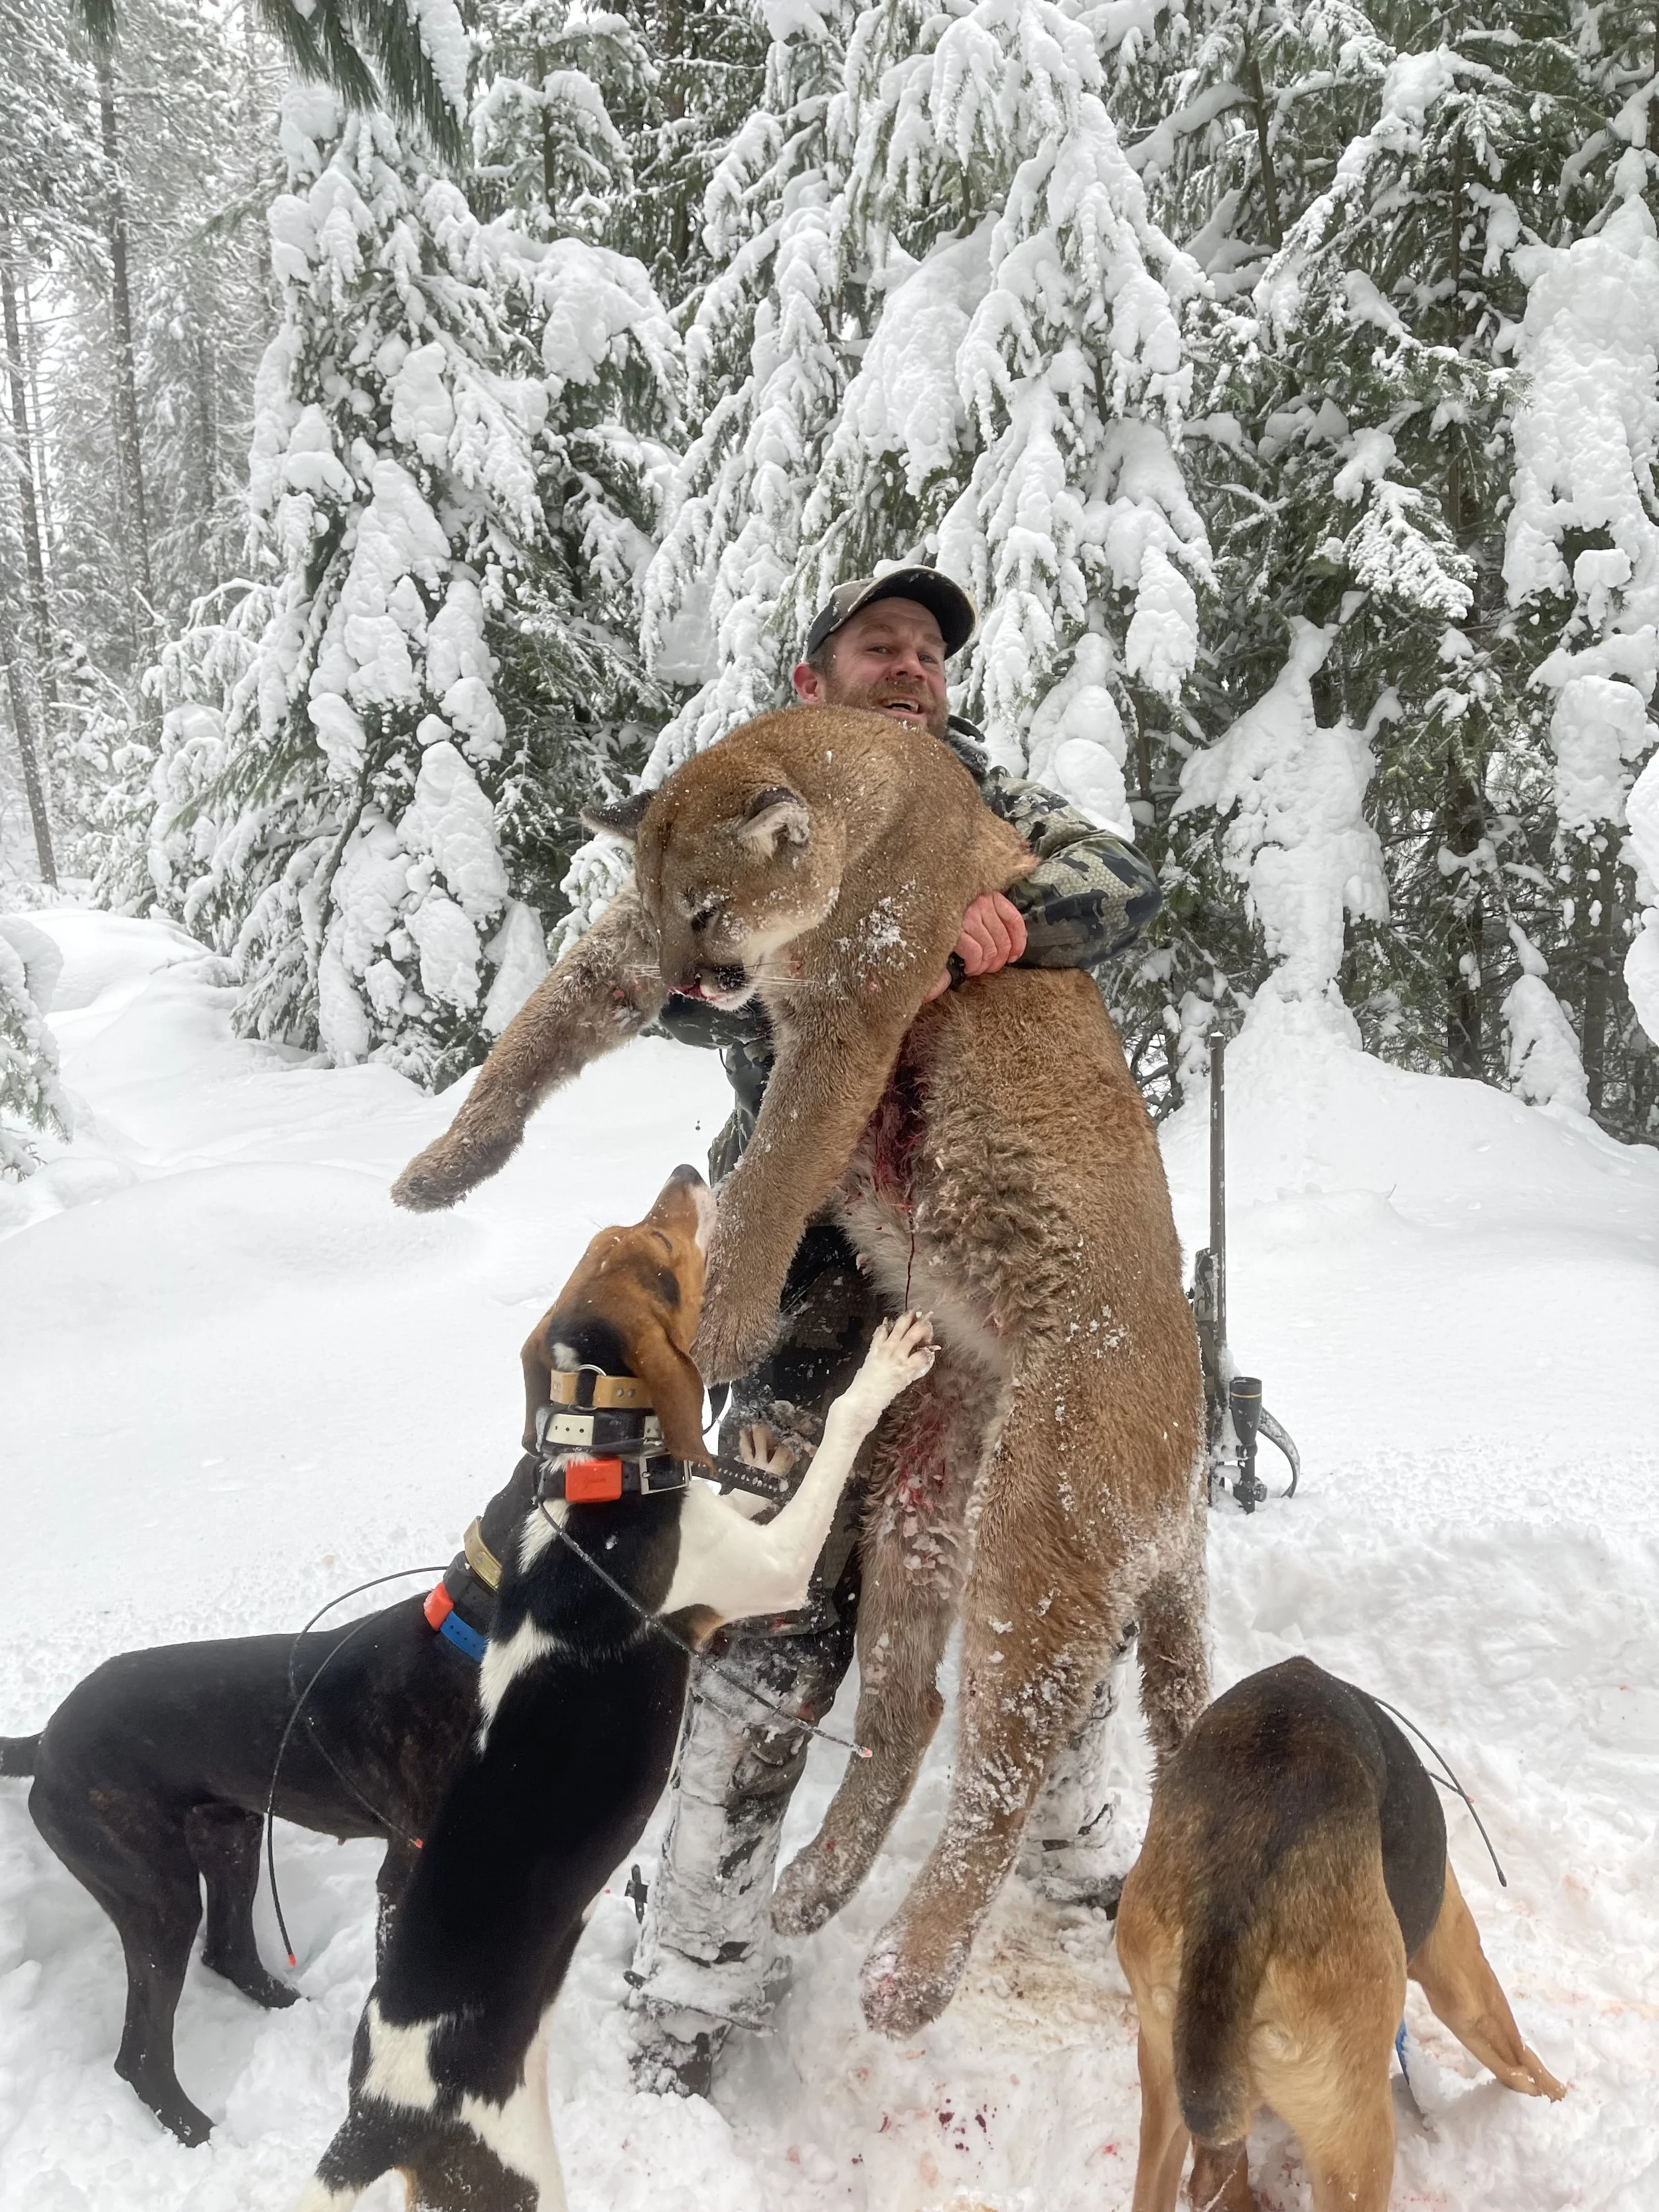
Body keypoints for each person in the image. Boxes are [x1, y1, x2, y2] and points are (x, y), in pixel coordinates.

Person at [624, 567, 1161, 2093]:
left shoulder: (985, 800)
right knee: (773, 1597)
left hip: (997, 1249)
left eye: (929, 651)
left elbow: (1123, 884)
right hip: (811, 1267)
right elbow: (662, 971)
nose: (912, 666)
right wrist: (767, 963)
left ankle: (1069, 1850)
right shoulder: (754, 803)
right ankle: (693, 1973)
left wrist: (1007, 922)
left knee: (1057, 1552)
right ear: (816, 677)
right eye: (882, 645)